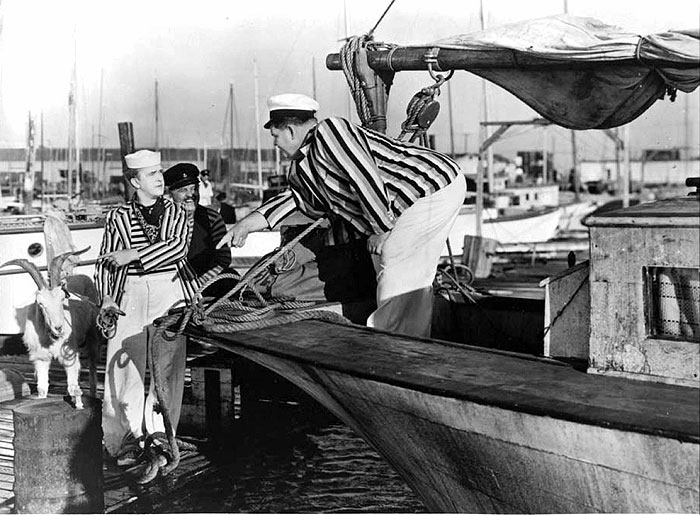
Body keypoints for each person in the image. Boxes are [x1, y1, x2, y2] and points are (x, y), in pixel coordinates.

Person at [218, 93, 466, 338]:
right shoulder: (301, 166)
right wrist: (246, 224)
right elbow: (293, 198)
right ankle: (405, 336)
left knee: (397, 266)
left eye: (275, 135)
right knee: (398, 272)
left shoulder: (330, 132)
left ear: (291, 131)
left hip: (429, 186)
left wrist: (381, 228)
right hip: (400, 206)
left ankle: (398, 347)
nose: (275, 143)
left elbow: (364, 177)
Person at [95, 149, 198, 481]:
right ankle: (123, 440)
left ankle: (162, 435)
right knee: (125, 366)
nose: (160, 178)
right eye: (152, 174)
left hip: (171, 290)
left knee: (168, 367)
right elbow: (107, 261)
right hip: (131, 292)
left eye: (160, 172)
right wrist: (107, 298)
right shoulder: (118, 216)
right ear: (135, 181)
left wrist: (133, 254)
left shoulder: (178, 210)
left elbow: (177, 248)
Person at [164, 162, 234, 295]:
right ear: (171, 193)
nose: (190, 194)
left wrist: (198, 286)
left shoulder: (212, 218)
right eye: (183, 190)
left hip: (205, 287)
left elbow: (223, 258)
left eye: (194, 189)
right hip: (171, 290)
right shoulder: (164, 220)